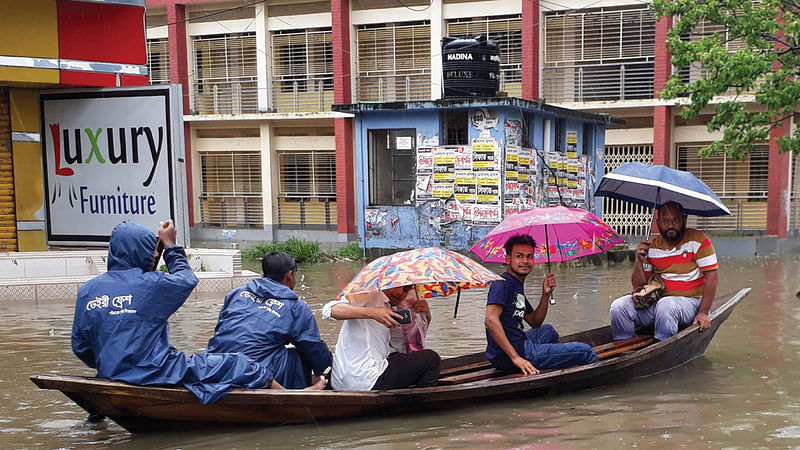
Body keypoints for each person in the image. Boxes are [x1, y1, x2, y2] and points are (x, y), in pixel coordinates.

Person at [71, 220, 281, 405]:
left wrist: (113, 360)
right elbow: (187, 279)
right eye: (151, 250)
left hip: (110, 373)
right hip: (156, 371)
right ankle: (291, 399)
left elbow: (81, 347)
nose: (155, 254)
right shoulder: (151, 284)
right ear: (139, 252)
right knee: (241, 364)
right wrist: (170, 245)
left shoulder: (88, 290)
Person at [206, 251, 331, 389]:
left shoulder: (236, 294)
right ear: (289, 276)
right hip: (255, 373)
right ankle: (297, 398)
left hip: (214, 365)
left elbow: (223, 330)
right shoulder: (296, 307)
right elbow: (313, 348)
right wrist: (327, 373)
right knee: (297, 355)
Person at [484, 234, 598, 375]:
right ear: (508, 259)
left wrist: (546, 294)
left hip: (515, 345)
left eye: (530, 256)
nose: (525, 261)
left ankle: (555, 366)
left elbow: (535, 322)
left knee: (547, 330)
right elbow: (490, 319)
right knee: (585, 351)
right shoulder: (502, 283)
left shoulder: (515, 285)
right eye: (519, 256)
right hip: (515, 353)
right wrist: (516, 358)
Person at [609, 201, 719, 341]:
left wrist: (703, 312)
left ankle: (661, 346)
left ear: (684, 220)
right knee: (618, 307)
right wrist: (639, 261)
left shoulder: (699, 240)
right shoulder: (652, 247)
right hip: (657, 303)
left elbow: (712, 277)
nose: (671, 226)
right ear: (658, 222)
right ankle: (624, 348)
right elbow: (639, 287)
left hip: (690, 303)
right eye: (665, 221)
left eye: (675, 220)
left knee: (666, 305)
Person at [322, 285, 440, 390]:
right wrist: (372, 313)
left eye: (406, 289)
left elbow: (404, 348)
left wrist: (424, 317)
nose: (400, 293)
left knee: (403, 357)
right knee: (431, 359)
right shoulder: (367, 293)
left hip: (339, 381)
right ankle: (420, 405)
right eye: (396, 286)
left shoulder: (390, 310)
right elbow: (329, 310)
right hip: (366, 380)